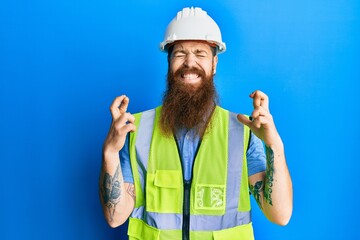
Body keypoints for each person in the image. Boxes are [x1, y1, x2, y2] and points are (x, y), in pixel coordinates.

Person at [99, 7, 292, 240]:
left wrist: (274, 145)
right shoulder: (138, 130)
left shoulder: (243, 132)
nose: (189, 63)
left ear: (214, 64)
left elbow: (280, 214)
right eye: (179, 53)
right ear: (169, 62)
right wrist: (110, 152)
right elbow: (115, 217)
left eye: (200, 53)